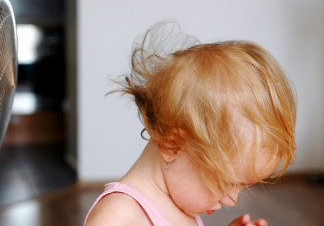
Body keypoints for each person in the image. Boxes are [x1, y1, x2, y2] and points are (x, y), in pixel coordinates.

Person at [84, 23, 297, 226]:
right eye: (226, 184)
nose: (232, 200)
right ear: (173, 145)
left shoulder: (179, 206)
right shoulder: (119, 215)